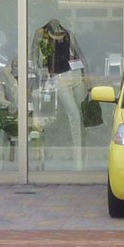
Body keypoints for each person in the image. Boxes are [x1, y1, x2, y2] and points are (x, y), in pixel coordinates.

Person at [31, 19, 88, 170]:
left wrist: (86, 78)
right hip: (60, 79)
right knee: (74, 115)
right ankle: (78, 163)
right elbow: (33, 57)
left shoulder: (68, 34)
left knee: (82, 116)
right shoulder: (40, 33)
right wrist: (41, 75)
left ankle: (82, 158)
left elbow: (79, 55)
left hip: (76, 75)